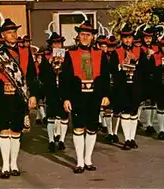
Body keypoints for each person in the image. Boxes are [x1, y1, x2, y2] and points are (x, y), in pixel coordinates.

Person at [0, 18, 38, 179]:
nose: (13, 35)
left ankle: (14, 163)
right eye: (9, 32)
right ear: (3, 35)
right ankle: (5, 165)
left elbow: (33, 75)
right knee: (4, 130)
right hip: (1, 96)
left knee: (16, 131)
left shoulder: (25, 51)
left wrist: (33, 94)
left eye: (14, 32)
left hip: (19, 96)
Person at [60, 20, 110, 173]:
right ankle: (80, 162)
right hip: (77, 95)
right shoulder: (70, 53)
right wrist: (66, 98)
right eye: (82, 34)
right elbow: (65, 78)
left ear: (93, 37)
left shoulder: (100, 54)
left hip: (94, 95)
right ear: (78, 36)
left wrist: (106, 95)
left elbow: (106, 76)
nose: (85, 37)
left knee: (92, 128)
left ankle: (88, 159)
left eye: (88, 35)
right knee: (78, 127)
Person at [109, 24, 147, 150]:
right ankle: (126, 139)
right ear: (121, 38)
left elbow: (144, 69)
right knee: (125, 112)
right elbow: (112, 70)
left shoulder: (139, 50)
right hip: (122, 86)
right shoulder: (116, 52)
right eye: (125, 38)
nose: (127, 40)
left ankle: (132, 138)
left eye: (129, 37)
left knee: (134, 112)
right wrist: (121, 66)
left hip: (135, 85)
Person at [40, 32, 69, 152]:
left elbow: (69, 72)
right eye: (55, 43)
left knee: (64, 115)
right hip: (51, 88)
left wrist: (62, 64)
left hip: (63, 88)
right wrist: (49, 63)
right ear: (51, 45)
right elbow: (42, 74)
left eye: (59, 43)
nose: (57, 45)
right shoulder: (46, 56)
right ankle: (51, 140)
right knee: (51, 115)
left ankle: (61, 140)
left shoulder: (67, 55)